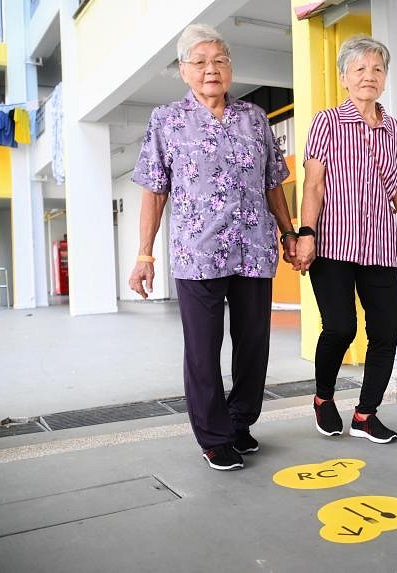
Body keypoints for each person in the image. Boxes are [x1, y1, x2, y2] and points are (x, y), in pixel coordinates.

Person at [130, 24, 297, 471]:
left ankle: (240, 423)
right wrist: (144, 254)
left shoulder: (254, 118)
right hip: (197, 253)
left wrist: (289, 233)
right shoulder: (167, 120)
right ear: (184, 70)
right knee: (203, 348)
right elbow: (153, 190)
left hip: (254, 250)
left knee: (254, 343)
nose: (211, 70)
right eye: (200, 62)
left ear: (230, 68)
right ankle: (213, 436)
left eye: (219, 61)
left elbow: (273, 183)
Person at [296, 34, 397, 444]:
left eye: (377, 69)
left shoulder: (395, 131)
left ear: (385, 78)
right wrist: (306, 233)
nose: (368, 76)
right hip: (333, 243)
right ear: (344, 78)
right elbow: (314, 184)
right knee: (340, 327)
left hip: (379, 248)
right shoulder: (327, 122)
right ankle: (323, 398)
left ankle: (365, 414)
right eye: (359, 69)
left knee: (387, 331)